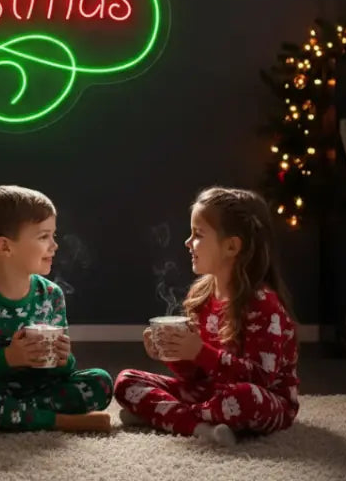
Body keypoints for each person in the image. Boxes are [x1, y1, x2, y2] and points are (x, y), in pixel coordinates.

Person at [114, 187, 299, 446]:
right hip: (211, 395)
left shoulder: (262, 304)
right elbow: (195, 376)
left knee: (242, 397)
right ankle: (198, 426)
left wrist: (200, 351)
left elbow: (261, 379)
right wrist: (174, 353)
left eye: (198, 235)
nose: (187, 243)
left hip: (263, 400)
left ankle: (168, 416)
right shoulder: (202, 295)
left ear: (232, 246)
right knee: (126, 381)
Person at [0, 184, 113, 432]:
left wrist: (64, 359)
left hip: (39, 388)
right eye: (43, 237)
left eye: (54, 235)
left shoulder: (52, 294)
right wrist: (8, 358)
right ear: (5, 247)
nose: (54, 245)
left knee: (100, 381)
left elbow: (63, 371)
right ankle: (60, 422)